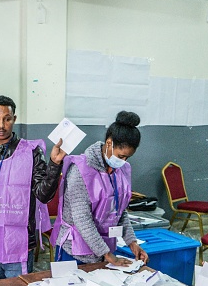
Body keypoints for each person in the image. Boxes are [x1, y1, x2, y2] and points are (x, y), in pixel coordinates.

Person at [0, 95, 66, 280]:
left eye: (7, 119)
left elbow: (43, 196)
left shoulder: (30, 152)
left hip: (20, 243)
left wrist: (54, 165)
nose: (1, 125)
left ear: (14, 119)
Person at [51, 111, 148, 266]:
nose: (123, 161)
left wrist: (132, 242)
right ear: (109, 143)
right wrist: (109, 256)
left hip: (104, 249)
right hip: (75, 250)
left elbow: (119, 211)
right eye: (121, 156)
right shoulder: (80, 170)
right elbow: (82, 219)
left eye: (127, 158)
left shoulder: (121, 170)